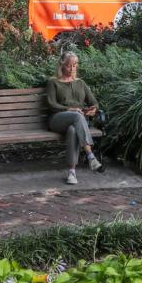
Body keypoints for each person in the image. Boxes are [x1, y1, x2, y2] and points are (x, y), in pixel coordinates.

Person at [45, 51, 104, 184]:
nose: (72, 69)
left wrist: (92, 110)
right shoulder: (53, 82)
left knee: (73, 130)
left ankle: (72, 172)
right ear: (61, 65)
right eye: (69, 65)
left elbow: (94, 102)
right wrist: (71, 109)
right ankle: (90, 155)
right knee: (77, 116)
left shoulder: (80, 83)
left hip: (77, 121)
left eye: (75, 65)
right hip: (57, 119)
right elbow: (51, 104)